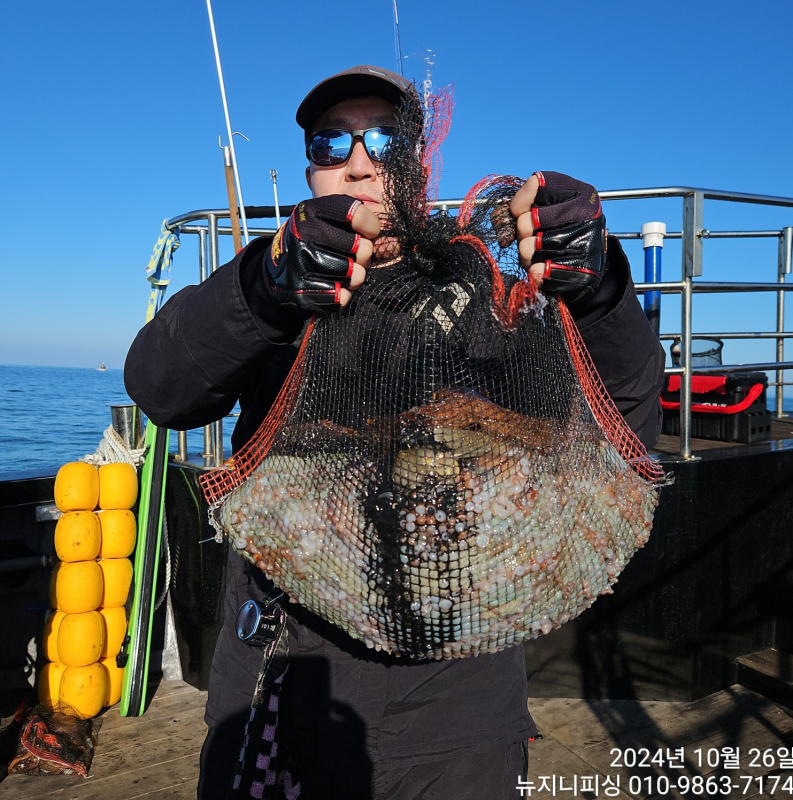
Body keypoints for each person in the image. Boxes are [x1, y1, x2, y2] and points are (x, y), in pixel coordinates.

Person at [125, 64, 664, 799]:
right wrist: (264, 284)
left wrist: (599, 290)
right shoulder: (274, 300)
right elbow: (161, 385)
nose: (358, 160)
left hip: (455, 722)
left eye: (386, 139)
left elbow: (623, 421)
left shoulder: (490, 306)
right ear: (312, 169)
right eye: (330, 142)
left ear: (416, 164)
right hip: (276, 693)